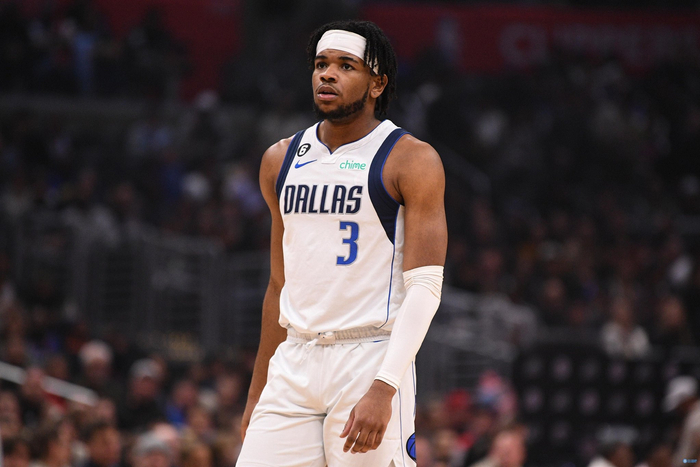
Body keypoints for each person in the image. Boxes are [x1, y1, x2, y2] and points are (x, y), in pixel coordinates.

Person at [238, 19, 447, 467]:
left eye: (345, 66)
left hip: (369, 357)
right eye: (321, 64)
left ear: (377, 83)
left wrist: (385, 386)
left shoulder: (411, 159)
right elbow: (278, 286)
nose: (327, 75)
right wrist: (257, 392)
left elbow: (426, 288)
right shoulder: (280, 159)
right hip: (294, 360)